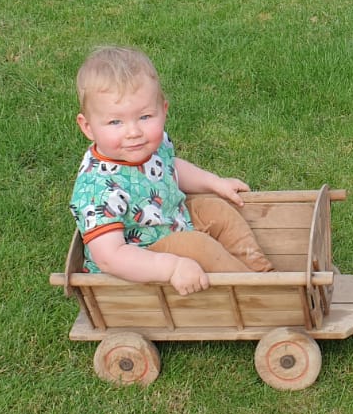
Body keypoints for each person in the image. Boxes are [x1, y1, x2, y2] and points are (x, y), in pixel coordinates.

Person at [69, 46, 273, 297]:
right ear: (88, 127)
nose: (134, 132)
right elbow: (110, 258)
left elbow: (169, 167)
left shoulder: (148, 146)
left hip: (173, 222)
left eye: (145, 117)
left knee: (216, 211)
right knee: (197, 247)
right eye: (115, 122)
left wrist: (214, 182)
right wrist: (172, 267)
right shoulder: (97, 189)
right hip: (142, 258)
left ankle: (264, 274)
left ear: (163, 110)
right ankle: (257, 294)